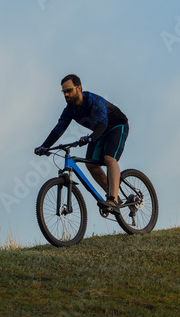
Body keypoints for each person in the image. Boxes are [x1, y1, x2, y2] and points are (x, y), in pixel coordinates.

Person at [34, 74, 129, 213]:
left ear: (79, 88)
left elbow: (102, 123)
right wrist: (44, 147)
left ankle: (113, 199)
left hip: (116, 125)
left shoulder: (93, 100)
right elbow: (58, 129)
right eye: (63, 92)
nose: (66, 94)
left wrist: (90, 138)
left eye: (69, 91)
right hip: (99, 131)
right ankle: (113, 197)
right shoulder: (69, 110)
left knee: (109, 158)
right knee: (91, 165)